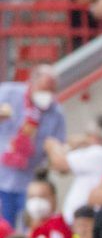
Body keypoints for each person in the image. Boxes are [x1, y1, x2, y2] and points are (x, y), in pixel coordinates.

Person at [0, 68, 67, 226]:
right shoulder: (8, 93)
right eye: (44, 89)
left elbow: (57, 146)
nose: (47, 94)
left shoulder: (56, 112)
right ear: (31, 83)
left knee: (30, 227)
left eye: (51, 90)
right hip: (2, 175)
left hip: (29, 181)